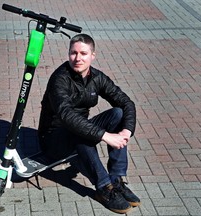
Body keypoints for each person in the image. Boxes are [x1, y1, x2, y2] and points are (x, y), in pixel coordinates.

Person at [38, 34, 140, 214]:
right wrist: (105, 136)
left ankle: (117, 179)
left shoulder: (97, 77)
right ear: (68, 54)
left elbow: (126, 103)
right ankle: (104, 188)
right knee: (79, 131)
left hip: (79, 129)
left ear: (92, 56)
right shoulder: (59, 79)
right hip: (54, 139)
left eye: (83, 53)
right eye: (73, 53)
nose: (78, 58)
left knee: (118, 113)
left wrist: (127, 131)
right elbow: (66, 116)